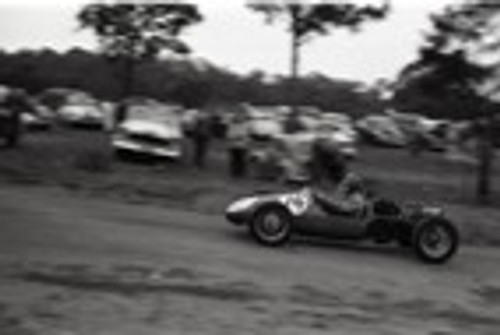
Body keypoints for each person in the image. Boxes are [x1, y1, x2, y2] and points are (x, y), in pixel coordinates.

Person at [309, 138, 366, 217]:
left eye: (316, 158)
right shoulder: (316, 177)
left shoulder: (351, 180)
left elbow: (353, 210)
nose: (312, 161)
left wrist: (321, 198)